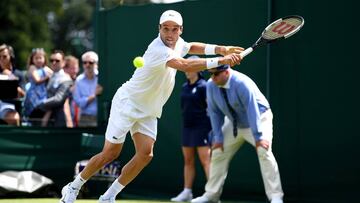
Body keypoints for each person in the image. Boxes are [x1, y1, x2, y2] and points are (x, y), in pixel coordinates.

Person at [59, 10, 243, 203]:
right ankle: (73, 187)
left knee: (145, 154)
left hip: (148, 110)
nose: (169, 34)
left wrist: (222, 48)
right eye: (165, 29)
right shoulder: (158, 49)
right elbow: (185, 65)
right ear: (159, 29)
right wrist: (222, 60)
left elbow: (191, 46)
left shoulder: (178, 43)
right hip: (127, 104)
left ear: (180, 30)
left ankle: (109, 196)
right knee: (111, 153)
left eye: (174, 30)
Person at [191, 65, 283, 203]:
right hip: (234, 122)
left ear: (227, 72)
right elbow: (214, 113)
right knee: (217, 151)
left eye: (216, 74)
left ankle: (275, 196)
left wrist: (258, 136)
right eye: (211, 74)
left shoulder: (241, 83)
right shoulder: (211, 85)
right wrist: (218, 138)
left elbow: (252, 109)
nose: (213, 78)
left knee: (264, 151)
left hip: (259, 118)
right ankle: (211, 195)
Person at [171, 56, 211, 202]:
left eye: (189, 67)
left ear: (198, 69)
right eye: (185, 67)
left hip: (202, 127)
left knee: (206, 160)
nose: (186, 70)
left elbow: (210, 108)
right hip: (187, 127)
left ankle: (213, 193)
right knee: (188, 160)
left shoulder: (204, 86)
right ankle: (187, 192)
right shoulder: (184, 87)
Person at [36, 50, 73, 127]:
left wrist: (40, 105)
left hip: (59, 120)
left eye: (57, 61)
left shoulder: (66, 79)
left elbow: (58, 99)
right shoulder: (50, 76)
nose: (54, 62)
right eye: (52, 60)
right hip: (47, 119)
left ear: (63, 63)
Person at [23, 48, 53, 125]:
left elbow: (53, 75)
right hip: (34, 95)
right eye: (36, 58)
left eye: (40, 58)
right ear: (32, 59)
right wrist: (47, 77)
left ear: (44, 59)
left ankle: (43, 124)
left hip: (43, 95)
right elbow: (37, 80)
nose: (39, 60)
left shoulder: (45, 68)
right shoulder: (32, 68)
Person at [73, 51, 103, 127]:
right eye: (85, 62)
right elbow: (79, 103)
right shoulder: (79, 80)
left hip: (102, 118)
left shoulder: (102, 78)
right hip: (85, 118)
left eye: (90, 62)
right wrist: (94, 95)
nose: (87, 65)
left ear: (96, 64)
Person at [64, 55, 80, 126]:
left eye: (76, 68)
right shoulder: (63, 82)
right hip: (66, 120)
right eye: (73, 68)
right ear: (65, 69)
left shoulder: (78, 81)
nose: (75, 71)